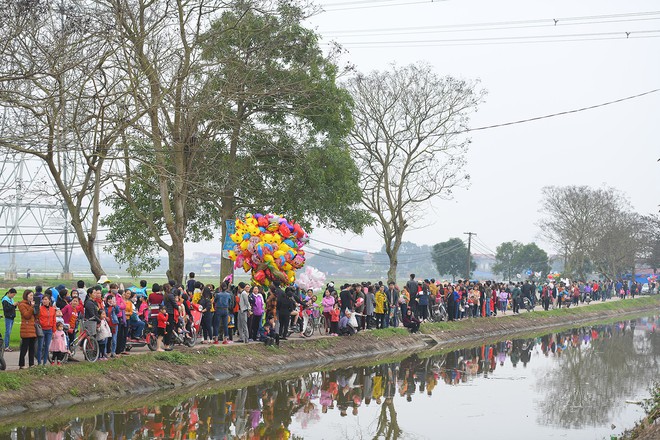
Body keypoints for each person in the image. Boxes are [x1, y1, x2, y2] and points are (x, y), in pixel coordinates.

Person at [18, 289, 37, 369]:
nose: (32, 297)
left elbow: (36, 316)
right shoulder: (22, 304)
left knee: (32, 348)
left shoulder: (31, 304)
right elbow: (26, 315)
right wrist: (32, 307)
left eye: (32, 295)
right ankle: (21, 364)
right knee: (24, 348)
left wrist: (36, 308)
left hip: (32, 328)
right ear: (26, 296)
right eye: (30, 295)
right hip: (26, 329)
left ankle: (31, 364)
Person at [37, 294, 57, 365]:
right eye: (43, 299)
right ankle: (39, 362)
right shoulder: (40, 309)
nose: (44, 301)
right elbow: (37, 318)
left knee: (47, 347)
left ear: (49, 300)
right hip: (42, 329)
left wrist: (54, 331)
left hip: (49, 330)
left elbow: (54, 321)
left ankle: (44, 362)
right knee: (40, 346)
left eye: (46, 299)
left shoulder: (52, 309)